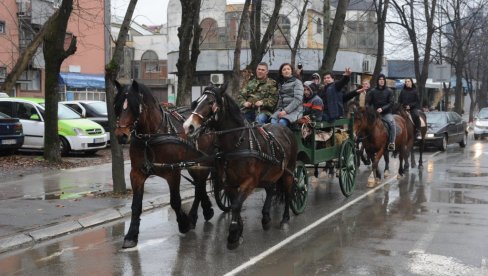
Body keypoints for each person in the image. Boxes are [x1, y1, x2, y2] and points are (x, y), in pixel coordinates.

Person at [366, 74, 396, 151]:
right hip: (375, 114)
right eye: (380, 79)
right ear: (377, 81)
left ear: (385, 81)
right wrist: (370, 109)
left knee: (392, 123)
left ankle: (392, 142)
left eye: (383, 79)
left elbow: (391, 103)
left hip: (386, 113)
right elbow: (368, 103)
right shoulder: (372, 91)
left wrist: (382, 109)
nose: (382, 81)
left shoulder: (389, 91)